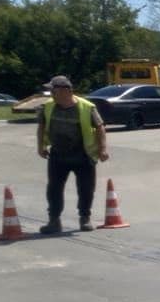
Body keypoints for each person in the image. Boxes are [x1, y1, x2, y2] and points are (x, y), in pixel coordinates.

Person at [36, 75, 109, 234]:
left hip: (83, 155)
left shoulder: (87, 107)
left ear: (65, 90)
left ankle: (85, 218)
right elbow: (41, 126)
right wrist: (41, 146)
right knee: (54, 189)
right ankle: (54, 221)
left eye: (53, 90)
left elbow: (100, 127)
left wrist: (102, 149)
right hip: (58, 155)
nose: (51, 94)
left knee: (86, 189)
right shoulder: (48, 106)